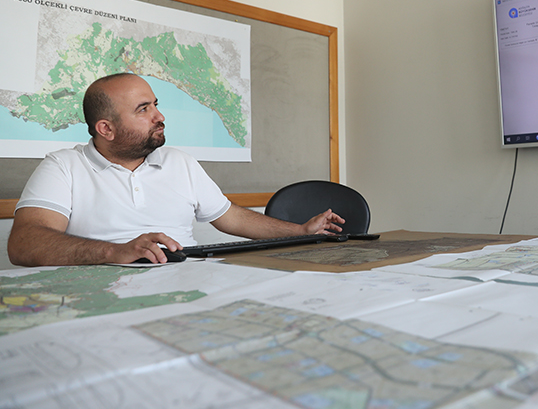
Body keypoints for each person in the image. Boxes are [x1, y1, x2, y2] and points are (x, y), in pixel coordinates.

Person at [8, 72, 344, 266]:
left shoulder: (179, 162)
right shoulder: (63, 166)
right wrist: (115, 251)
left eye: (156, 105)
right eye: (143, 109)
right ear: (105, 129)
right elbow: (24, 243)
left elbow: (232, 218)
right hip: (103, 294)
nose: (160, 117)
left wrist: (301, 231)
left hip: (187, 287)